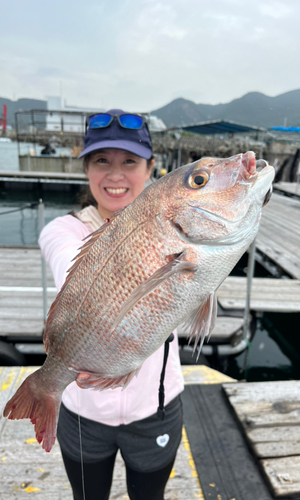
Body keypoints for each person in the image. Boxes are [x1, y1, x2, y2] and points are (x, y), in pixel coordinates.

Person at [39, 110, 184, 500]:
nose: (116, 175)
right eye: (102, 160)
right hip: (83, 411)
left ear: (152, 168)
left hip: (155, 409)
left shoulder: (176, 230)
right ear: (86, 168)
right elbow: (68, 268)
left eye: (130, 162)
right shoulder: (63, 230)